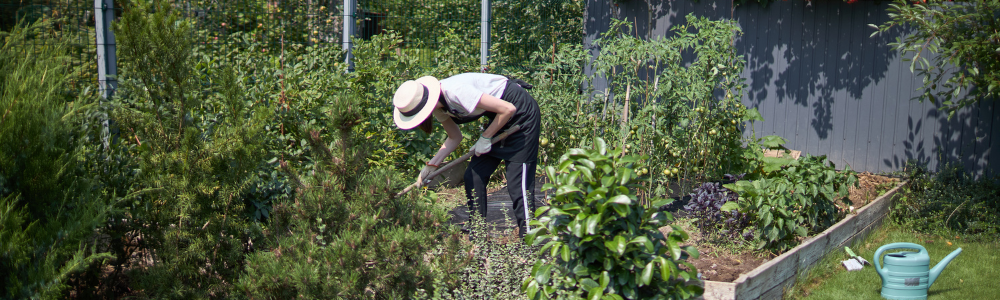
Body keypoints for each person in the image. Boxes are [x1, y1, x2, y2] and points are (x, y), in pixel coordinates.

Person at [391, 73, 540, 237]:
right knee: (473, 176)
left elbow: (508, 109)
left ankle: (529, 240)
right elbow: (455, 137)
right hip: (499, 122)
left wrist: (485, 137)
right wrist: (431, 166)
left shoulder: (457, 92)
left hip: (521, 117)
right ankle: (478, 235)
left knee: (518, 185)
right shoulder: (438, 106)